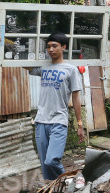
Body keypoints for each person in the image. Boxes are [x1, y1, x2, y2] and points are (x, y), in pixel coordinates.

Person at [27, 32, 84, 183]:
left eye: (54, 46)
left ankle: (69, 182)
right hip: (41, 121)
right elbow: (22, 63)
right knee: (45, 166)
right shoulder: (44, 68)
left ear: (63, 47)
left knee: (51, 160)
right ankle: (54, 191)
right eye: (48, 47)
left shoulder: (71, 70)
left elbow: (76, 97)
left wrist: (80, 124)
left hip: (59, 120)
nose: (50, 50)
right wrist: (3, 44)